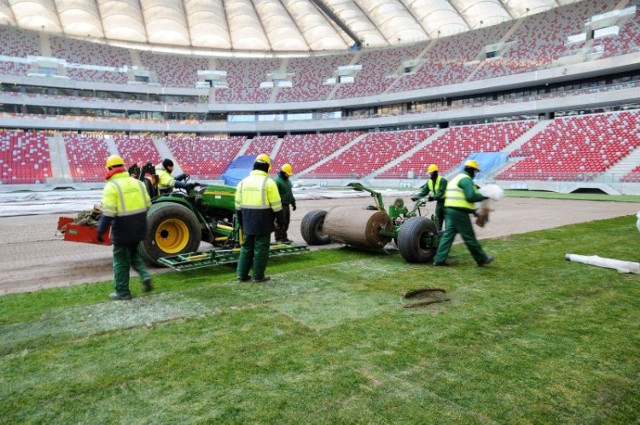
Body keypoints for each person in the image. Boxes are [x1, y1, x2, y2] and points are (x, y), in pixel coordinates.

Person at [96, 155, 153, 300]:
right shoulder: (138, 183)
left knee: (120, 261)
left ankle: (122, 292)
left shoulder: (112, 186)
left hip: (122, 229)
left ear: (109, 169)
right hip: (140, 227)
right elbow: (148, 204)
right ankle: (145, 276)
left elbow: (108, 213)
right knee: (134, 255)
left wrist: (100, 231)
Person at [432, 159, 494, 267]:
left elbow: (461, 198)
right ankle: (481, 259)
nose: (475, 174)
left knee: (448, 236)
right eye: (475, 171)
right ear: (470, 169)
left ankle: (439, 259)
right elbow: (470, 197)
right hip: (459, 212)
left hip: (450, 210)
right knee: (469, 236)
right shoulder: (466, 180)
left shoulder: (457, 178)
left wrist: (473, 211)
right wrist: (485, 195)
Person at [235, 154, 285, 283]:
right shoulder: (269, 183)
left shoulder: (243, 182)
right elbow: (277, 206)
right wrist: (281, 222)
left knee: (246, 248)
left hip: (247, 220)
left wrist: (241, 222)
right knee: (261, 249)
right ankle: (258, 276)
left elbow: (237, 206)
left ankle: (242, 274)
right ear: (267, 167)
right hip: (263, 221)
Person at [411, 163, 447, 231]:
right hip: (439, 202)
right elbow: (424, 192)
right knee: (438, 218)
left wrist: (432, 197)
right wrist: (416, 197)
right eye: (429, 173)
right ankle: (438, 232)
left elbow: (441, 193)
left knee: (448, 219)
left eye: (431, 173)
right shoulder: (429, 182)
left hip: (447, 202)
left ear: (435, 172)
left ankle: (448, 234)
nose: (430, 174)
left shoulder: (442, 180)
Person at [273, 163, 297, 243]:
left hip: (287, 205)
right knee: (279, 222)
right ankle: (278, 238)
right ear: (283, 172)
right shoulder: (277, 181)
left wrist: (293, 203)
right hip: (280, 206)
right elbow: (274, 195)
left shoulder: (288, 181)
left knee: (286, 221)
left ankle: (284, 237)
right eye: (287, 174)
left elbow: (290, 193)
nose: (288, 175)